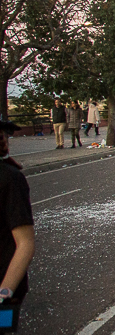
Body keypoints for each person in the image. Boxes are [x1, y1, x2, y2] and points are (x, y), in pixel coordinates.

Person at [0, 117, 34, 310]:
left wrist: (4, 294)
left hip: (7, 288)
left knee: (3, 327)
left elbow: (26, 243)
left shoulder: (10, 179)